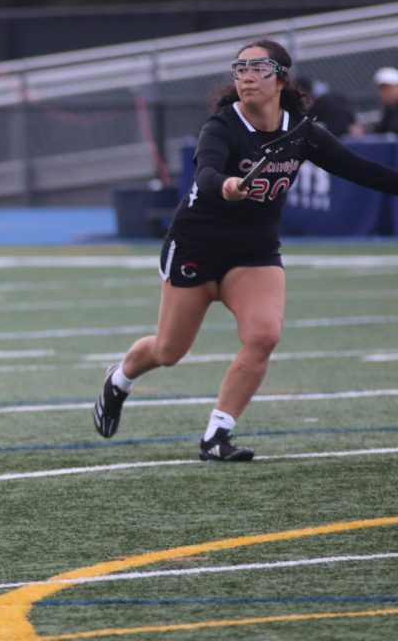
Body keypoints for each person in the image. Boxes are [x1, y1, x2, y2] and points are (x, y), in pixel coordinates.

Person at [93, 39, 398, 461]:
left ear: (281, 78)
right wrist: (228, 186)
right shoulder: (221, 125)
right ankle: (119, 380)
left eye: (258, 68)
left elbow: (357, 168)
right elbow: (206, 173)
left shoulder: (301, 131)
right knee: (168, 351)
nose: (247, 76)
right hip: (198, 244)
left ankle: (217, 435)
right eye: (240, 69)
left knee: (264, 335)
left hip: (253, 249)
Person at [369, 66, 398, 134]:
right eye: (382, 89)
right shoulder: (390, 109)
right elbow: (379, 131)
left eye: (389, 88)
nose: (385, 93)